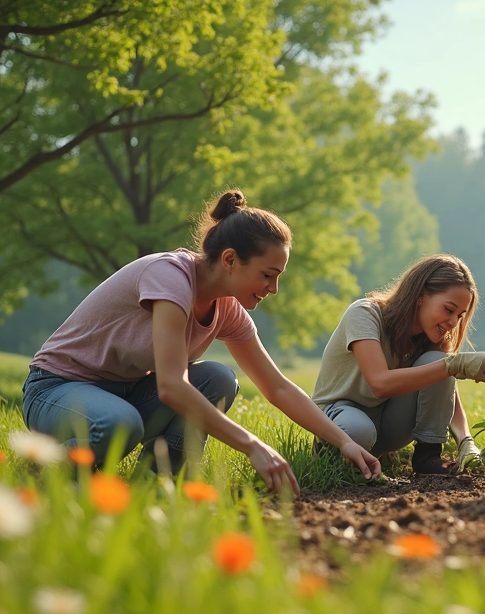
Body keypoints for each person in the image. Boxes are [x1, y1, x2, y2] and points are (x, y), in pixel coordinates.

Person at [22, 190, 380, 494]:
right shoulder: (169, 277)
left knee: (218, 379)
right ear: (229, 260)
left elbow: (279, 387)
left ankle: (155, 488)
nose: (273, 289)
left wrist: (344, 440)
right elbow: (171, 388)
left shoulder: (227, 310)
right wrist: (252, 446)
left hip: (123, 393)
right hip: (57, 389)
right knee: (119, 423)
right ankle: (46, 472)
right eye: (268, 275)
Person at [312, 254, 485, 475]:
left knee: (438, 362)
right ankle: (330, 457)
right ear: (420, 296)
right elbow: (379, 383)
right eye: (448, 309)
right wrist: (455, 364)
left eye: (459, 316)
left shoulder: (430, 339)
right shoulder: (365, 314)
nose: (452, 323)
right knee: (359, 430)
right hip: (343, 417)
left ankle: (427, 456)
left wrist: (465, 440)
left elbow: (446, 389)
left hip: (385, 423)